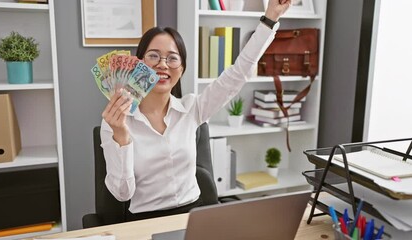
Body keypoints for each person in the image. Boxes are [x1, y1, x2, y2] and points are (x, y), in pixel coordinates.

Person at [100, 0, 292, 221]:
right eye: (153, 55)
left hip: (194, 216)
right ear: (137, 64)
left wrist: (270, 18)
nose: (163, 64)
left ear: (181, 69)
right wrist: (122, 137)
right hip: (145, 220)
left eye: (172, 58)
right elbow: (123, 194)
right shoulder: (114, 123)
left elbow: (239, 72)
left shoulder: (193, 108)